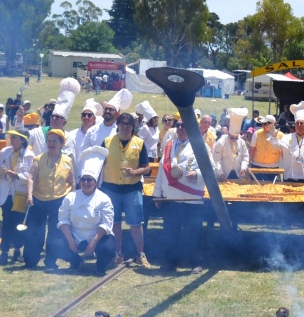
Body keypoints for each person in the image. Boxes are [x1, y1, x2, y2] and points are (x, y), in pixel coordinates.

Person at [152, 120, 207, 272]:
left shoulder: (200, 145)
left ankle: (196, 262)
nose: (181, 128)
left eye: (185, 125)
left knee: (193, 232)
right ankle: (170, 262)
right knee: (170, 232)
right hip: (171, 197)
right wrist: (157, 194)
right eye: (179, 125)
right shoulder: (169, 145)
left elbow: (212, 170)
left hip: (192, 198)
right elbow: (162, 171)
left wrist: (197, 175)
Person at [99, 112, 152, 268]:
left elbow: (147, 167)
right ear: (117, 125)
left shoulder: (139, 143)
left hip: (132, 189)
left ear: (132, 126)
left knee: (136, 223)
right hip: (111, 188)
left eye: (128, 124)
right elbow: (98, 164)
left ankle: (140, 254)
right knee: (114, 223)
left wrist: (135, 172)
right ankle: (117, 254)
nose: (124, 126)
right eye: (122, 123)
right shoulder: (107, 142)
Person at [57, 148, 116, 275]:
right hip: (75, 234)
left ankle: (101, 265)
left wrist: (94, 242)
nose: (86, 182)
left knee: (109, 248)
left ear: (95, 182)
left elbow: (107, 225)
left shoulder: (104, 199)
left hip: (96, 235)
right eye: (83, 179)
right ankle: (76, 261)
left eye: (90, 180)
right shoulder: (70, 197)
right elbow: (63, 220)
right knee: (54, 243)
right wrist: (69, 239)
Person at [24, 129, 76, 269]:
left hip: (59, 201)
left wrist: (72, 198)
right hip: (38, 200)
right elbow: (31, 177)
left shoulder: (67, 160)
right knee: (35, 231)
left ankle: (50, 262)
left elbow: (72, 182)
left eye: (54, 141)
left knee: (55, 233)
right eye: (49, 141)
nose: (51, 144)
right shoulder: (38, 159)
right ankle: (31, 261)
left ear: (61, 144)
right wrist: (29, 194)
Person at [0, 129, 33, 264]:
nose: (11, 139)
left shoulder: (30, 155)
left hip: (20, 194)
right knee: (6, 223)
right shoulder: (4, 152)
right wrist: (3, 171)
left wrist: (17, 175)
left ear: (23, 140)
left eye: (15, 137)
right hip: (7, 193)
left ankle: (17, 251)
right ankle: (4, 252)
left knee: (19, 224)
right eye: (11, 136)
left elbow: (30, 176)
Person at [214, 107, 249, 181]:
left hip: (237, 173)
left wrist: (243, 167)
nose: (234, 140)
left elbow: (245, 156)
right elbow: (216, 159)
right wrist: (220, 173)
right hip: (224, 173)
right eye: (232, 138)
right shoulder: (221, 142)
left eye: (236, 138)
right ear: (228, 134)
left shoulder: (241, 142)